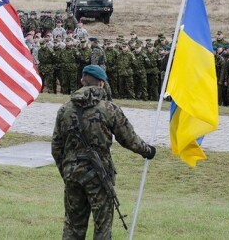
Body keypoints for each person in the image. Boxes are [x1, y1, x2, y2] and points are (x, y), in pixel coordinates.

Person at [51, 65, 156, 239]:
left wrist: (67, 171)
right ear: (101, 84)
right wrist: (148, 151)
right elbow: (129, 139)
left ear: (82, 81)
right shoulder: (109, 109)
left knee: (73, 226)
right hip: (99, 175)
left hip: (72, 175)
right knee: (102, 228)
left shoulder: (64, 110)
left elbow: (56, 146)